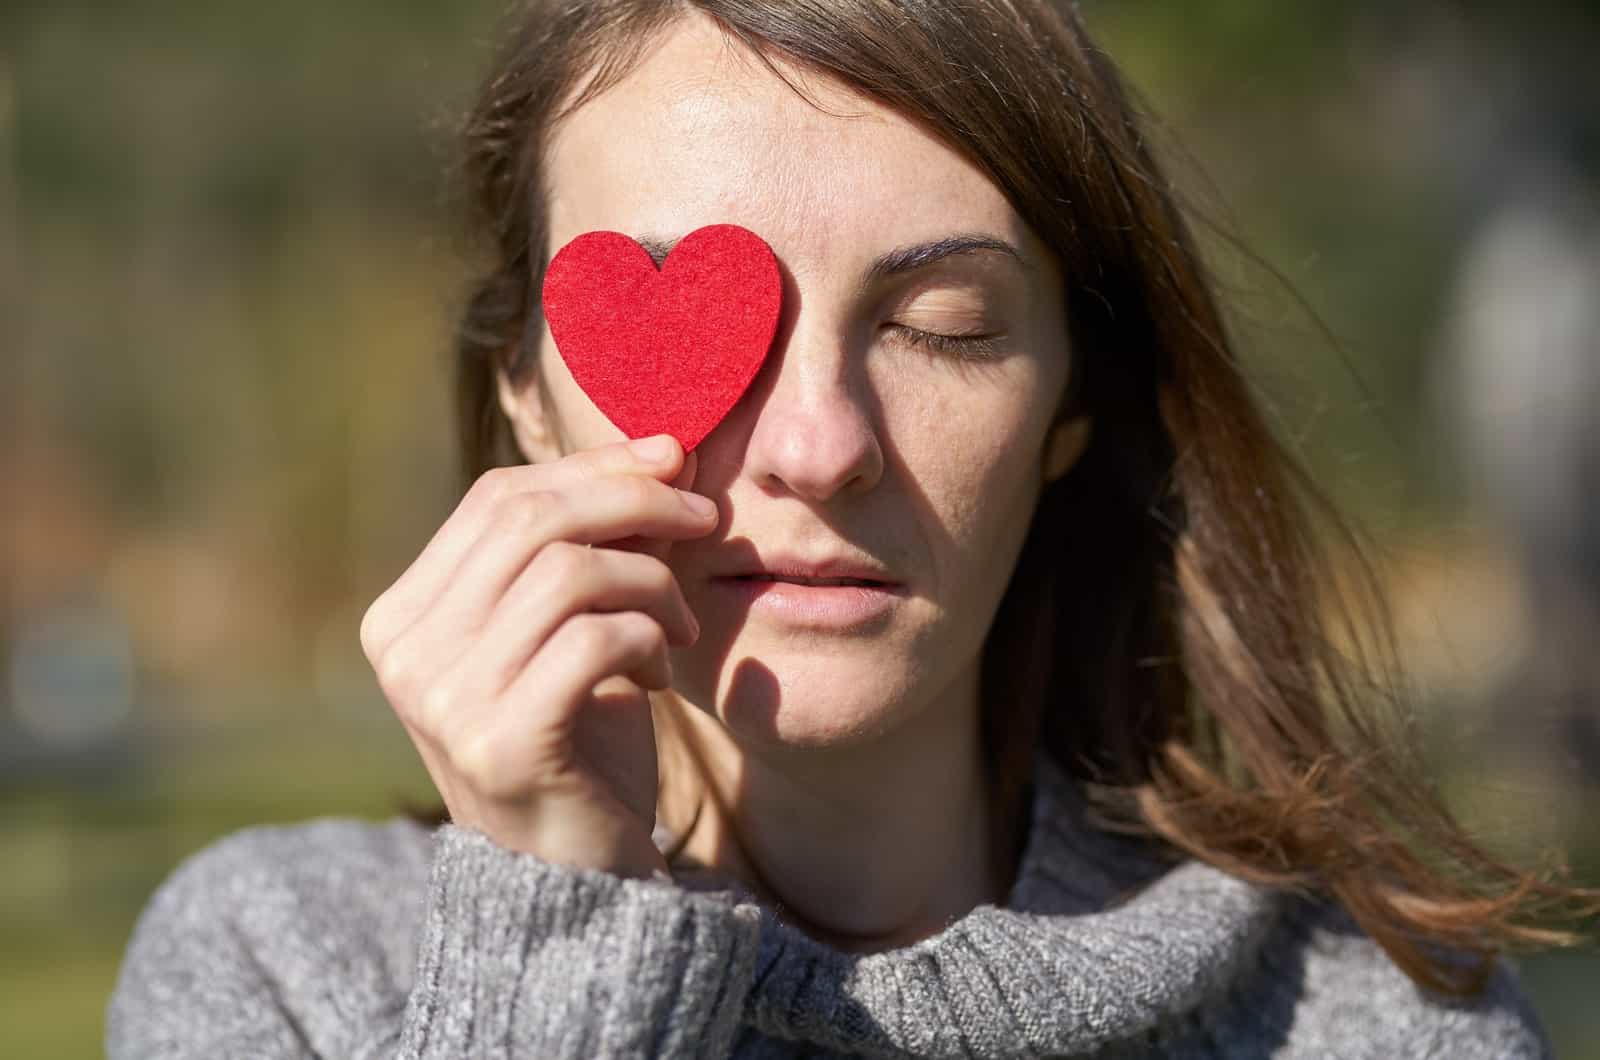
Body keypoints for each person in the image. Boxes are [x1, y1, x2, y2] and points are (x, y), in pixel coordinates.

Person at [106, 1, 1599, 1056]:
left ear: (1075, 398)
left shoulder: (1376, 1019)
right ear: (531, 397)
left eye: (942, 328)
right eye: (710, 336)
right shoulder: (279, 972)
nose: (819, 447)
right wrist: (554, 935)